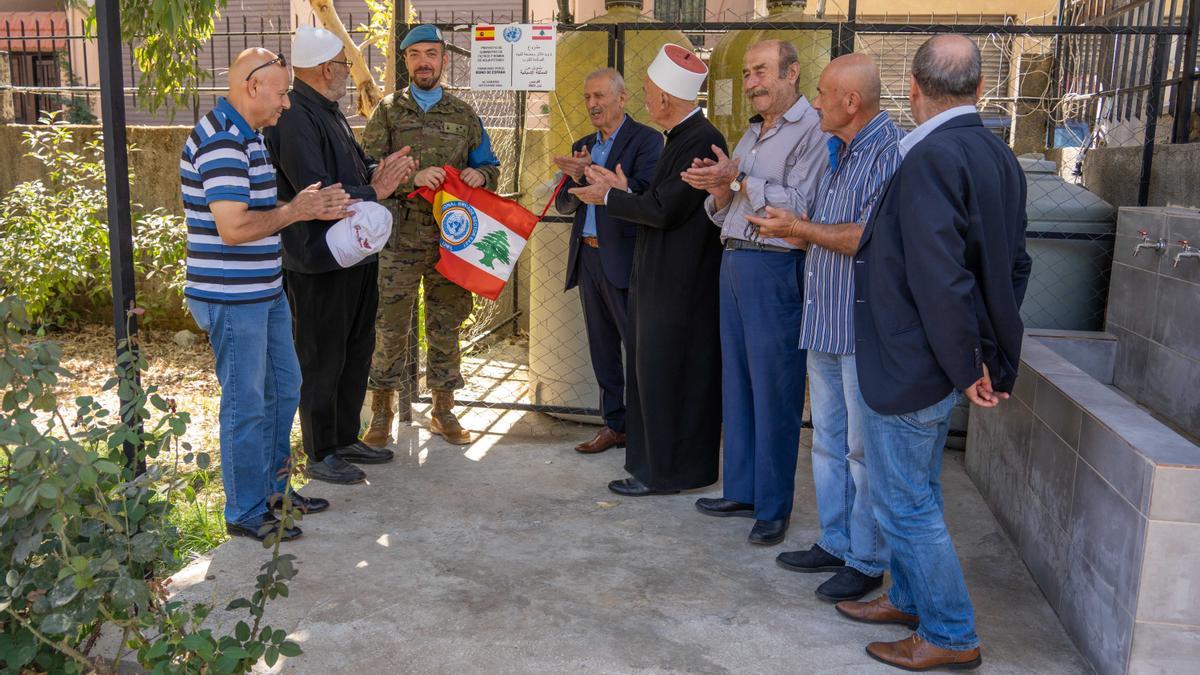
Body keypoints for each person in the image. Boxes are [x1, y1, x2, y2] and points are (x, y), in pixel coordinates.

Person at [832, 35, 1029, 671]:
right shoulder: (998, 155)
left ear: (913, 88)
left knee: (904, 501)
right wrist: (983, 351)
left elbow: (940, 276)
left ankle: (949, 632)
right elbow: (1011, 269)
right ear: (978, 87)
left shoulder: (930, 158)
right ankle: (910, 598)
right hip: (944, 359)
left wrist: (962, 360)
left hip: (915, 363)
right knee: (917, 488)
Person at [181, 48, 353, 540]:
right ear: (252, 87)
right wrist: (297, 211)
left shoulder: (249, 136)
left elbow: (255, 206)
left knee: (285, 388)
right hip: (232, 297)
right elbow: (234, 228)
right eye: (281, 93)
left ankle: (275, 491)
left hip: (263, 291)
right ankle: (244, 511)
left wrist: (309, 206)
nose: (287, 104)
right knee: (246, 404)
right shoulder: (220, 142)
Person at [748, 54, 902, 601]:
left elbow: (866, 236)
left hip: (863, 327)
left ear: (850, 102)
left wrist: (799, 227)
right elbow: (814, 221)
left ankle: (866, 559)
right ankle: (836, 544)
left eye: (820, 93)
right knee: (830, 444)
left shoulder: (886, 153)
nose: (814, 102)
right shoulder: (841, 148)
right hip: (827, 319)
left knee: (863, 453)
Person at [681, 39, 827, 547]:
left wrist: (739, 178)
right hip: (736, 260)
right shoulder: (752, 131)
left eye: (760, 71)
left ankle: (772, 505)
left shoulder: (813, 129)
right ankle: (741, 489)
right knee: (737, 385)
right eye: (745, 74)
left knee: (775, 392)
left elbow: (802, 207)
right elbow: (733, 209)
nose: (751, 83)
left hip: (776, 266)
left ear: (792, 72)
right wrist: (719, 192)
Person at [570, 44, 725, 497]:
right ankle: (676, 469)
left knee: (664, 376)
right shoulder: (684, 137)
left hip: (676, 282)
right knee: (667, 375)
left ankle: (659, 473)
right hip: (670, 277)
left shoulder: (696, 140)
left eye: (647, 91)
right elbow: (661, 202)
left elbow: (664, 211)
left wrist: (609, 197)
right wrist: (619, 188)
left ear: (663, 99)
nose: (645, 99)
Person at [264, 26, 416, 486]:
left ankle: (346, 437)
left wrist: (375, 171)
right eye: (345, 66)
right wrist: (375, 188)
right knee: (321, 356)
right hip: (317, 261)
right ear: (327, 68)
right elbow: (317, 188)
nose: (349, 75)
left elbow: (347, 171)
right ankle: (320, 450)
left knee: (355, 347)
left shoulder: (327, 111)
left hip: (354, 256)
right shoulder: (294, 118)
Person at [362, 24, 501, 447]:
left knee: (446, 325)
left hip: (452, 242)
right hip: (398, 241)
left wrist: (482, 174)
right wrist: (411, 176)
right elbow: (365, 169)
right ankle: (382, 414)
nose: (424, 61)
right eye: (415, 54)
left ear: (443, 59)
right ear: (405, 61)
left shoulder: (463, 115)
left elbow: (491, 166)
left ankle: (443, 411)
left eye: (432, 54)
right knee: (388, 327)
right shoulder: (387, 111)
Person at [552, 68, 663, 455]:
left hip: (627, 260)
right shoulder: (584, 145)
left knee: (638, 348)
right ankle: (614, 426)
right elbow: (566, 205)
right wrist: (572, 178)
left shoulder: (647, 141)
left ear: (622, 97)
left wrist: (618, 187)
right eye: (587, 98)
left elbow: (650, 197)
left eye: (599, 96)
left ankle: (647, 430)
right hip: (590, 258)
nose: (593, 105)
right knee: (602, 350)